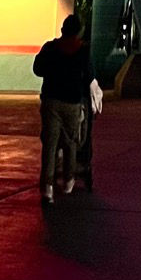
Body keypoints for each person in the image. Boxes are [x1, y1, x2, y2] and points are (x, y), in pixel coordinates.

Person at [33, 13, 93, 205]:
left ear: (62, 29)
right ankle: (68, 180)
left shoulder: (50, 47)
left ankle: (47, 188)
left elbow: (38, 69)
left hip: (51, 101)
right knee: (70, 142)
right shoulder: (83, 51)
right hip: (72, 102)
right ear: (79, 31)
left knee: (50, 145)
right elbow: (89, 75)